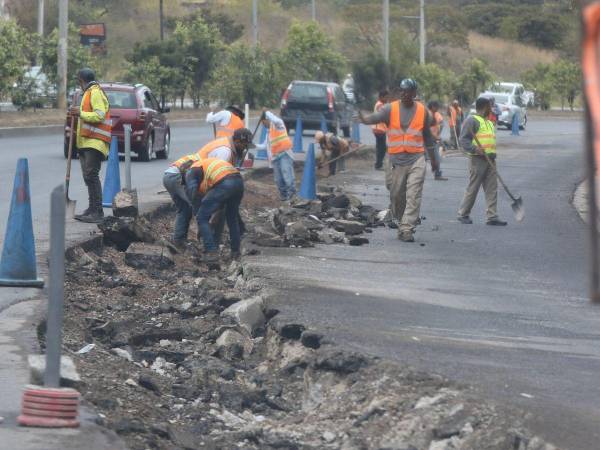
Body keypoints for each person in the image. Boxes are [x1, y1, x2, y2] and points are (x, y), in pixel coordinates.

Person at [359, 78, 439, 242]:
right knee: (396, 196)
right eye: (402, 90)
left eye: (408, 91)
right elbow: (374, 118)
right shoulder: (390, 109)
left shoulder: (422, 111)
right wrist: (363, 118)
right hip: (396, 160)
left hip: (416, 158)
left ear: (414, 93)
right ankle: (403, 219)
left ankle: (407, 228)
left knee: (413, 194)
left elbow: (428, 138)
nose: (404, 94)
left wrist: (434, 161)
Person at [163, 128, 253, 247]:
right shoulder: (225, 151)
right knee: (203, 208)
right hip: (180, 176)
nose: (245, 149)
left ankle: (181, 240)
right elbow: (217, 180)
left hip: (173, 175)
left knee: (186, 209)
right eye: (244, 145)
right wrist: (205, 218)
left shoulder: (227, 147)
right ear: (237, 142)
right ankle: (210, 243)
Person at [457, 96, 507, 226]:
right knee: (473, 187)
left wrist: (493, 154)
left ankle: (492, 216)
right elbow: (463, 140)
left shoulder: (489, 122)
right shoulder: (472, 120)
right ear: (485, 107)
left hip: (490, 159)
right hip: (478, 159)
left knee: (492, 188)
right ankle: (463, 213)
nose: (491, 108)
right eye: (490, 106)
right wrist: (474, 149)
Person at [186, 158, 244, 262]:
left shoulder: (192, 169)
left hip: (225, 182)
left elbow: (192, 192)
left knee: (202, 217)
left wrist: (198, 218)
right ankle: (235, 252)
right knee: (232, 218)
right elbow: (219, 202)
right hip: (238, 182)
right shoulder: (207, 165)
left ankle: (211, 252)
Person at [74, 67, 111, 223]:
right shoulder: (87, 93)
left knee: (92, 176)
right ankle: (92, 208)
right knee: (88, 177)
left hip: (95, 142)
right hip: (86, 142)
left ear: (82, 80)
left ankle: (98, 212)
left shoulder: (95, 92)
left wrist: (80, 113)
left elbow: (99, 114)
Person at [254, 110, 296, 202]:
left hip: (285, 154)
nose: (263, 124)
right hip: (275, 158)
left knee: (287, 176)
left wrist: (266, 112)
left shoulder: (278, 125)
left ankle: (291, 196)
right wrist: (253, 146)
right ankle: (284, 197)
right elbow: (264, 146)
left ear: (267, 120)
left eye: (263, 122)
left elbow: (275, 120)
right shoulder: (268, 133)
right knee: (278, 180)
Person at [427, 100, 447, 181]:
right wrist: (437, 138)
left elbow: (441, 123)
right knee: (435, 158)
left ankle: (437, 173)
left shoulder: (436, 114)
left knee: (436, 158)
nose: (437, 108)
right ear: (432, 107)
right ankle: (437, 173)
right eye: (436, 107)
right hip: (429, 139)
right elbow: (427, 130)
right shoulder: (428, 115)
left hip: (434, 138)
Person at [372, 90, 389, 170]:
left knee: (380, 148)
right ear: (381, 97)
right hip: (379, 129)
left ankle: (378, 164)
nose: (387, 99)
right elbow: (384, 115)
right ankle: (378, 165)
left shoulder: (380, 104)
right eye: (385, 97)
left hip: (379, 129)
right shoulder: (380, 105)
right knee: (382, 148)